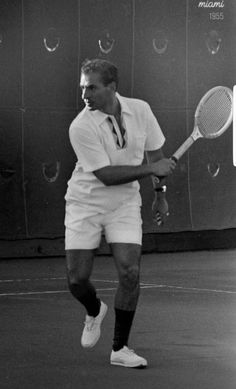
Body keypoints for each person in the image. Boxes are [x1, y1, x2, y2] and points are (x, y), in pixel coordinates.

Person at [64, 58, 176, 368]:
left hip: (125, 204)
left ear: (112, 88)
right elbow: (107, 175)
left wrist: (159, 195)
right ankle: (94, 309)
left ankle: (120, 348)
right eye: (82, 87)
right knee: (77, 280)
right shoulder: (81, 126)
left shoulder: (141, 110)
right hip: (85, 202)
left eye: (92, 88)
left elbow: (156, 155)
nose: (85, 94)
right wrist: (152, 168)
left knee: (130, 272)